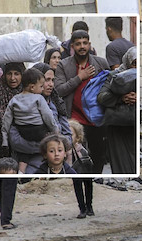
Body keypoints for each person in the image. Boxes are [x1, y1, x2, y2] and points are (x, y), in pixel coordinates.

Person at [55, 30, 109, 174]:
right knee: (77, 154)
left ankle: (95, 181)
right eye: (78, 44)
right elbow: (59, 90)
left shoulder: (100, 63)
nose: (82, 47)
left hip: (96, 118)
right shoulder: (64, 65)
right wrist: (80, 77)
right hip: (75, 119)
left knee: (98, 154)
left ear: (89, 44)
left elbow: (111, 86)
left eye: (85, 43)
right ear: (72, 46)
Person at [2, 68, 58, 174]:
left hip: (22, 132)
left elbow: (6, 120)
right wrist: (55, 130)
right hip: (38, 132)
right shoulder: (38, 98)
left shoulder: (14, 99)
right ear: (32, 87)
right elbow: (48, 116)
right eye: (41, 86)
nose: (42, 89)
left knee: (23, 155)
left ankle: (21, 171)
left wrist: (5, 139)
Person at [97, 47, 137, 174]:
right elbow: (102, 97)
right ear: (128, 62)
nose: (136, 67)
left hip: (137, 126)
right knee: (121, 163)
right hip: (117, 126)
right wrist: (121, 98)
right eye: (134, 63)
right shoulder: (115, 76)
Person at [0, 62, 25, 173]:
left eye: (16, 74)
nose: (12, 78)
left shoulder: (27, 92)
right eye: (9, 73)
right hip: (0, 139)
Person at [69, 121, 94, 218]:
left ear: (78, 137)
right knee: (78, 188)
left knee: (88, 186)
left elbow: (88, 160)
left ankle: (89, 207)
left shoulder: (82, 150)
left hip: (85, 171)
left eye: (70, 134)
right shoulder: (65, 150)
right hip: (75, 172)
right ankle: (82, 209)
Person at [0, 157, 19, 230]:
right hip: (10, 170)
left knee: (1, 195)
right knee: (8, 197)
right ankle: (5, 221)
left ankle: (4, 218)